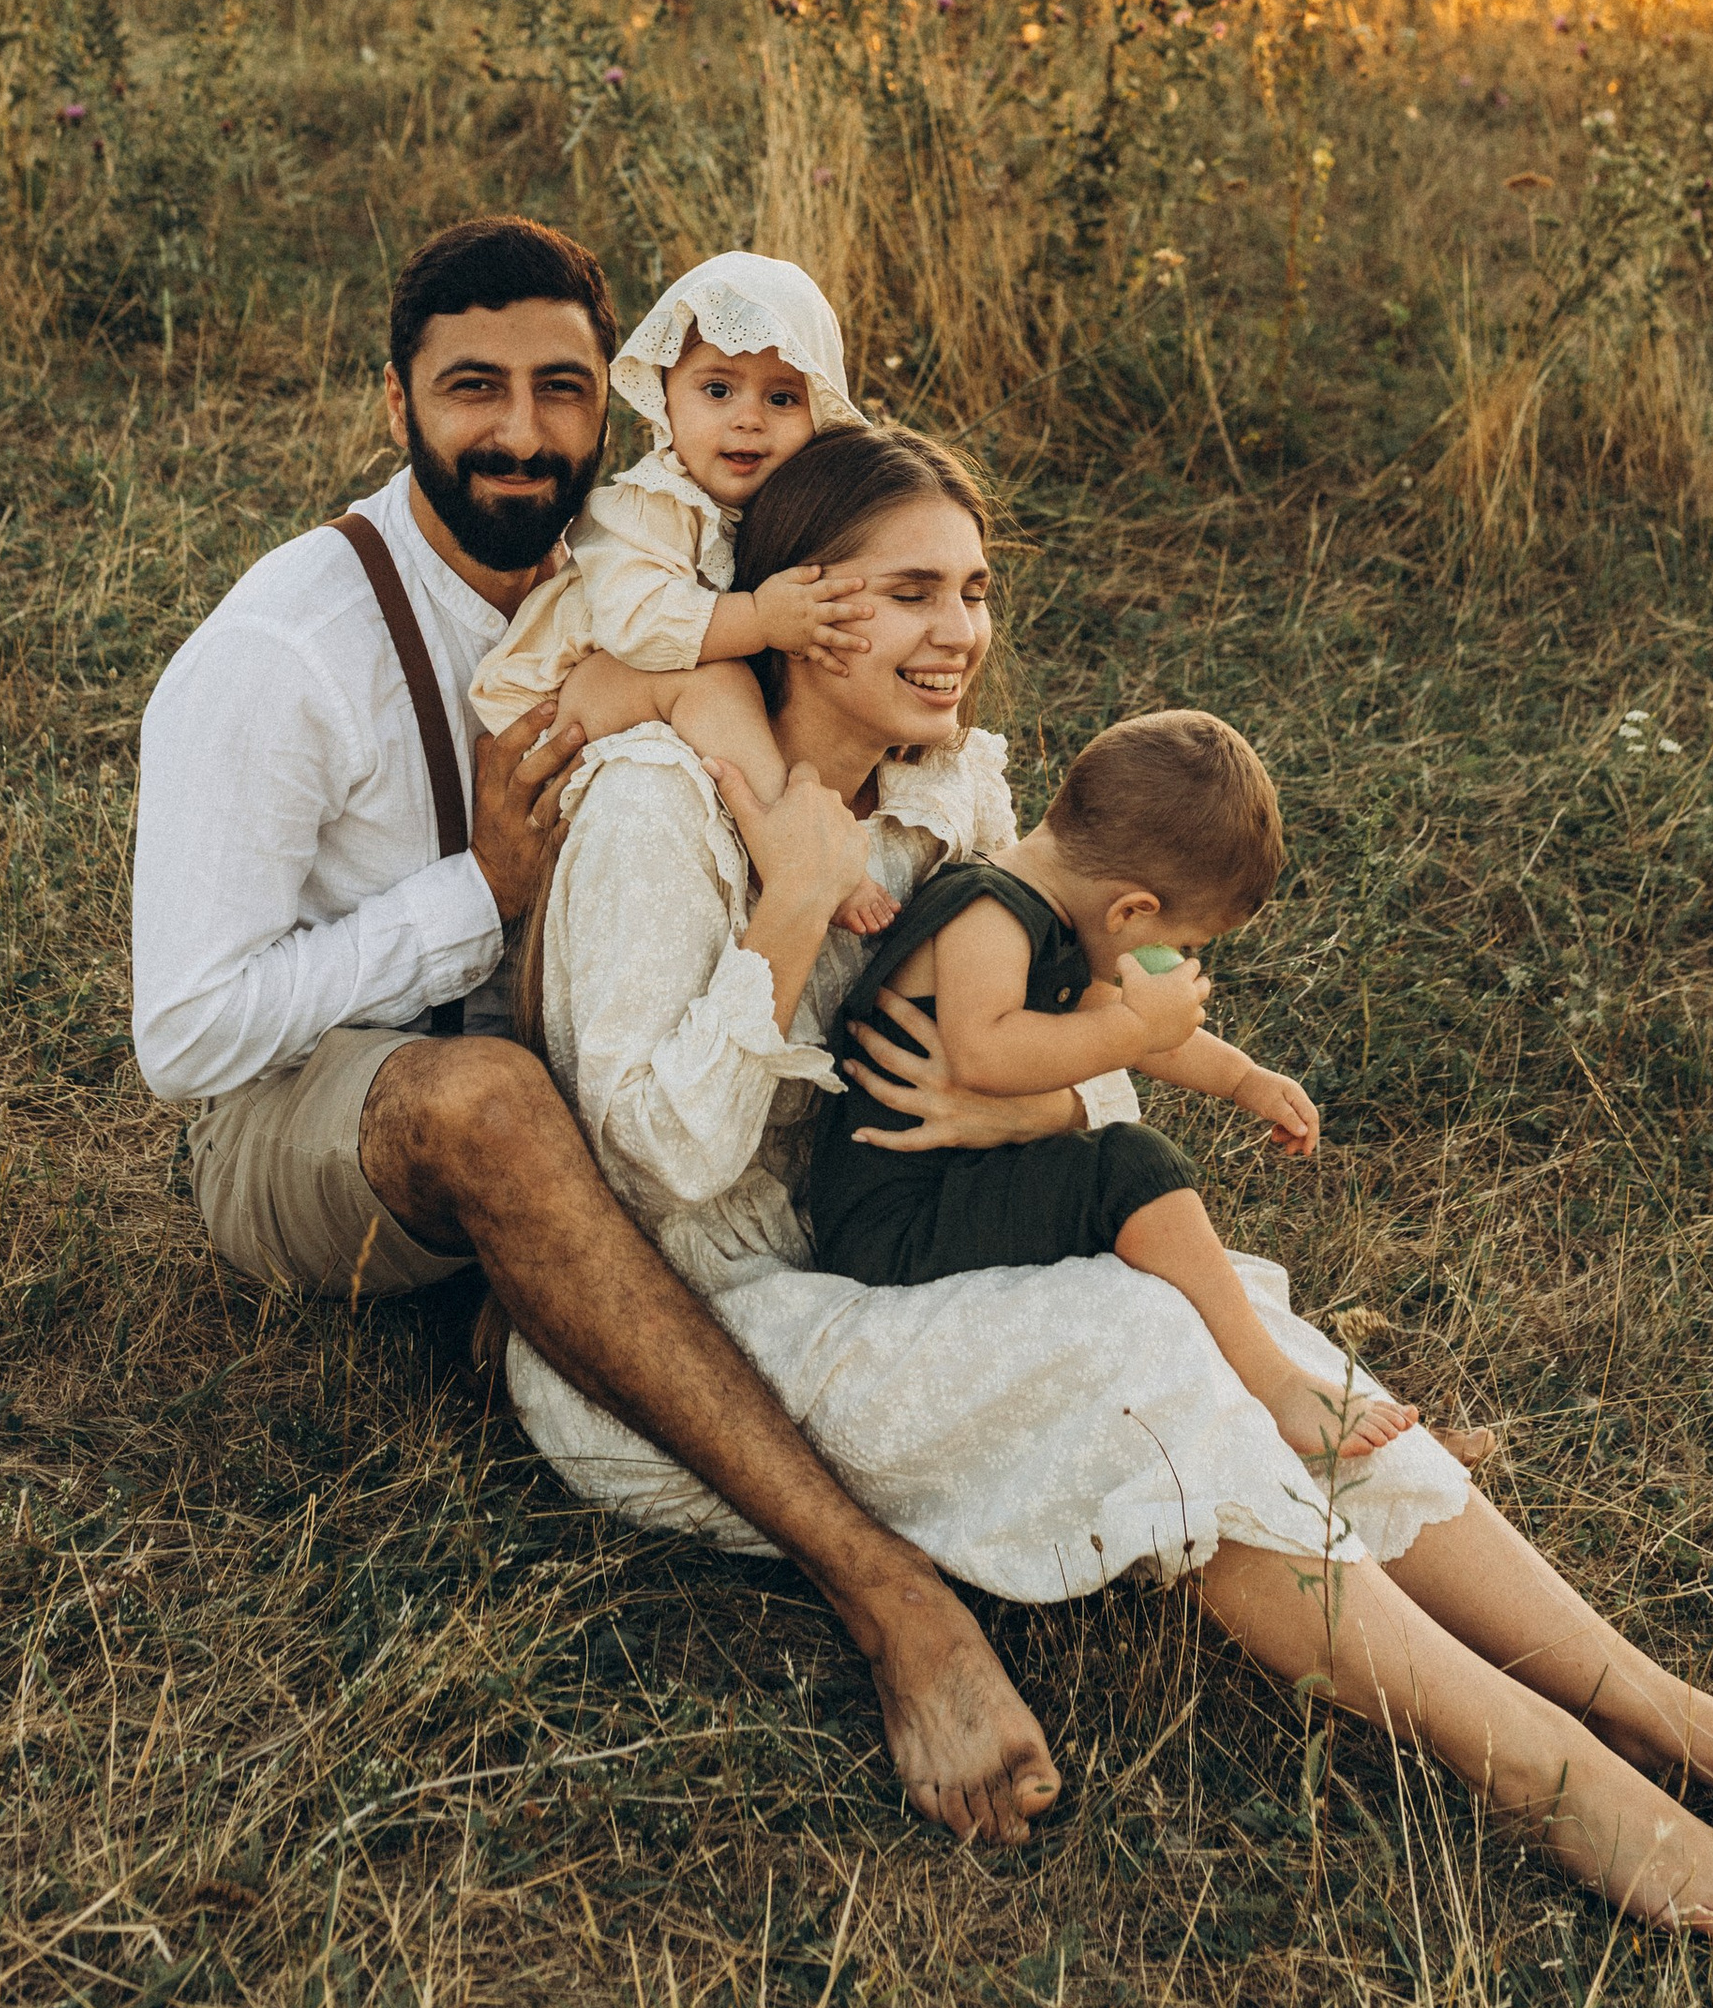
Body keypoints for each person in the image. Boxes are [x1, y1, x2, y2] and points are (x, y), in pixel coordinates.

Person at [506, 421, 1713, 1932]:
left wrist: (995, 1121)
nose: (957, 632)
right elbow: (644, 1162)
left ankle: (1670, 1713)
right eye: (908, 594)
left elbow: (1071, 1075)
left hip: (918, 1241)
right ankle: (1567, 1787)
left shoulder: (942, 790)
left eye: (972, 589)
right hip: (709, 1319)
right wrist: (795, 911)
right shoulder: (656, 809)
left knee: (1257, 1341)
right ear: (799, 603)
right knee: (1160, 1350)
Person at [130, 212, 1083, 1844]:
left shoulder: (672, 558)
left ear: (615, 401)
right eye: (472, 389)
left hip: (614, 1080)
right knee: (493, 1108)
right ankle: (890, 1603)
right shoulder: (286, 654)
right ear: (397, 402)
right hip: (332, 1116)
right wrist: (476, 894)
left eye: (558, 388)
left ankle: (1251, 1407)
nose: (520, 432)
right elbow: (187, 1038)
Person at [802, 709, 1436, 1472]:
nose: (1177, 961)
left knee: (1134, 1197)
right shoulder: (987, 913)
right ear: (1133, 910)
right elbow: (982, 1052)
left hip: (954, 1185)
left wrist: (1243, 1079)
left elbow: (1113, 1019)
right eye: (1184, 945)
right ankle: (1274, 1384)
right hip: (892, 1228)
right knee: (1133, 1166)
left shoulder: (1057, 920)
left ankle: (1285, 1381)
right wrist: (1134, 1028)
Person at [469, 249, 893, 927]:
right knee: (714, 682)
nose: (747, 419)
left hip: (634, 688)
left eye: (781, 398)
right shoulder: (652, 503)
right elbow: (638, 625)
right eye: (717, 391)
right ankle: (790, 848)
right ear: (666, 394)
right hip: (558, 705)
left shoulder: (780, 510)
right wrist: (758, 617)